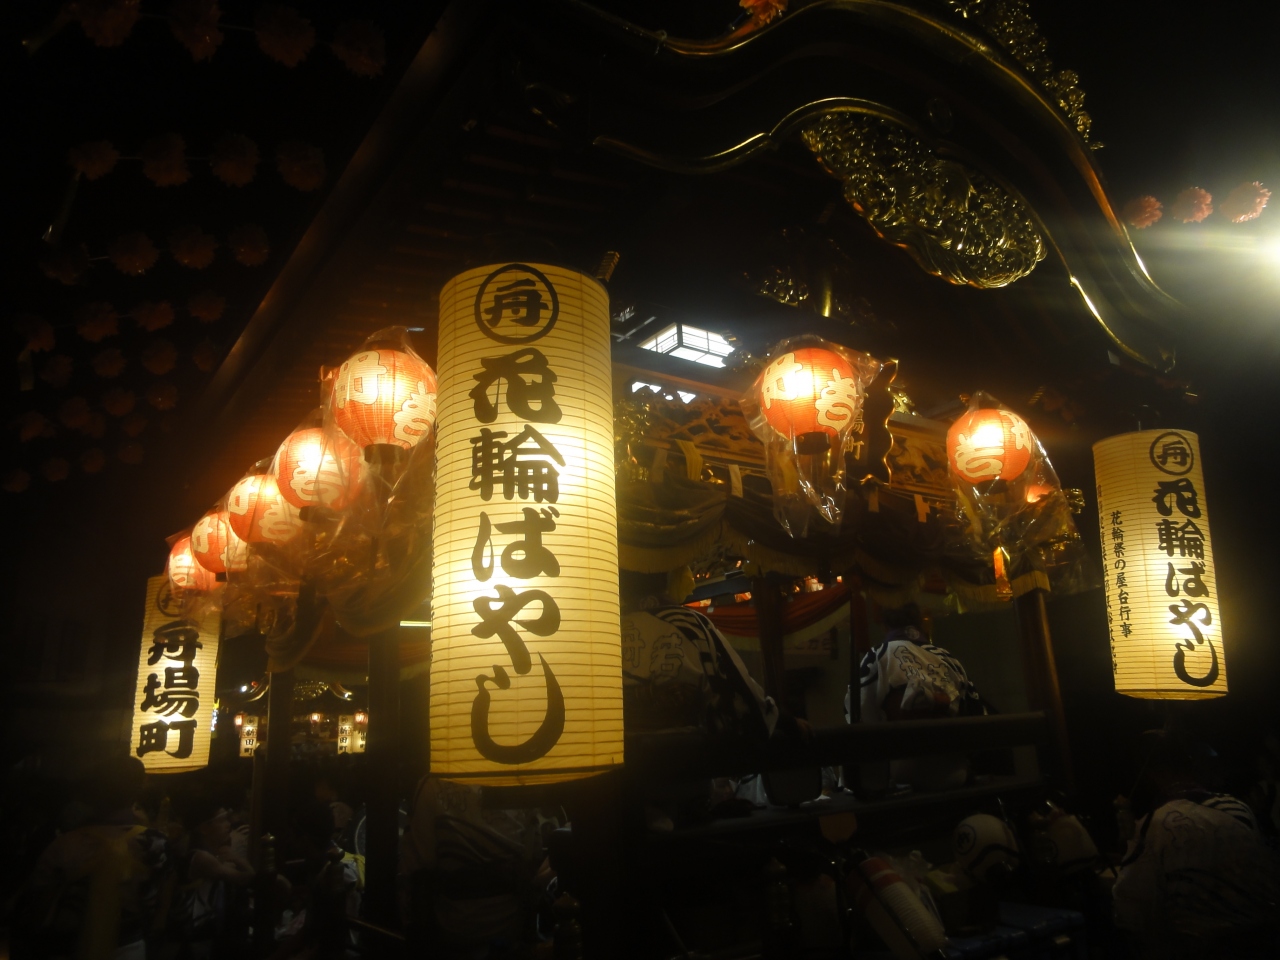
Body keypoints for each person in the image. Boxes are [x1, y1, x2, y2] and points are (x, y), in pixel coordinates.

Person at [1112, 730, 1280, 959]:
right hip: (1263, 941)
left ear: (1149, 773)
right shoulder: (1238, 808)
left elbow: (1131, 912)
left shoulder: (1153, 825)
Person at [18, 756, 168, 960]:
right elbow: (163, 904)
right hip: (129, 944)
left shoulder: (65, 843)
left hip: (68, 945)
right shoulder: (156, 843)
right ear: (137, 790)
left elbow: (39, 901)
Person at [849, 603, 985, 792]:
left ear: (883, 623)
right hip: (954, 772)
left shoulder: (878, 655)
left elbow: (860, 716)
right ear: (920, 621)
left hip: (901, 774)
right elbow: (977, 715)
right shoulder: (948, 658)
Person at [164, 797, 255, 959]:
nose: (228, 824)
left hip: (195, 936)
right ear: (204, 828)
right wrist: (236, 857)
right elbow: (246, 877)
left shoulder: (204, 854)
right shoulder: (201, 857)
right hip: (192, 939)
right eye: (222, 820)